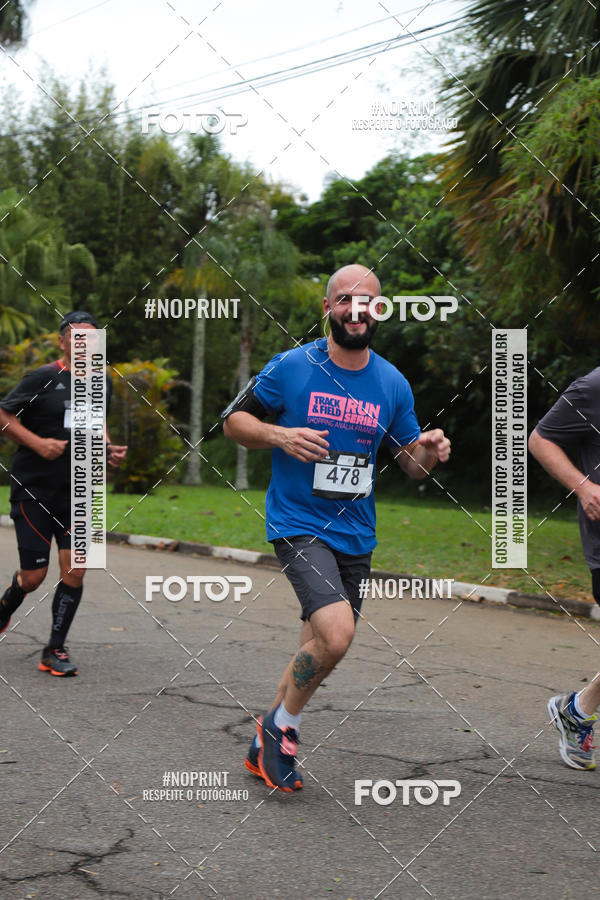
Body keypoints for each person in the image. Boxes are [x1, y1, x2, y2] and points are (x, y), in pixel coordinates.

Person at [223, 264, 451, 792]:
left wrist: (429, 450)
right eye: (345, 299)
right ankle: (284, 729)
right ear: (328, 308)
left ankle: (264, 740)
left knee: (319, 646)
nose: (356, 310)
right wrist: (280, 436)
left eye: (366, 301)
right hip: (299, 522)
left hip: (356, 533)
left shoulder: (392, 383)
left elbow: (411, 466)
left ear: (379, 310)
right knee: (337, 634)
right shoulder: (293, 366)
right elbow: (234, 421)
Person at [0, 311, 127, 676]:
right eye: (77, 337)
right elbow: (4, 414)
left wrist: (107, 448)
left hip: (81, 489)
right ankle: (5, 608)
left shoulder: (102, 380)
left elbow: (97, 421)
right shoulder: (42, 377)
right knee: (33, 577)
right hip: (35, 488)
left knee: (76, 569)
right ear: (62, 341)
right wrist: (38, 443)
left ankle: (54, 649)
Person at [529, 371, 600, 769]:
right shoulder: (594, 387)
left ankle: (577, 710)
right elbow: (540, 440)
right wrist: (584, 487)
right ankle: (577, 711)